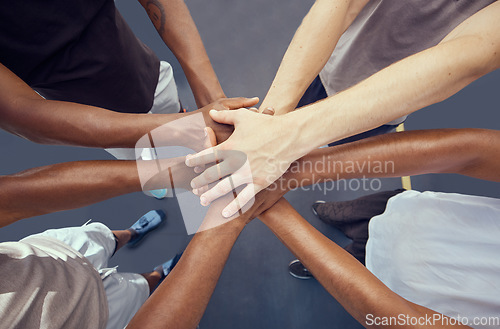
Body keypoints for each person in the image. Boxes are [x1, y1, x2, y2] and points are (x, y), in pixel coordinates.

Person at [187, 0, 500, 217]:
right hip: (329, 60)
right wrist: (269, 123)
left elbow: (468, 56)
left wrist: (281, 138)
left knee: (327, 152)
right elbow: (343, 4)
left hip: (387, 104)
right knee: (285, 149)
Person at [251, 128, 500, 328]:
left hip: (393, 290)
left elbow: (406, 321)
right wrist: (293, 172)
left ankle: (315, 265)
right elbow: (473, 153)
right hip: (410, 215)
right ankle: (326, 215)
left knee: (333, 264)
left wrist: (268, 206)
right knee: (341, 213)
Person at [0, 209, 184, 329]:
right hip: (83, 318)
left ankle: (132, 233)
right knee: (139, 289)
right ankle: (159, 273)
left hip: (42, 255)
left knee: (101, 238)